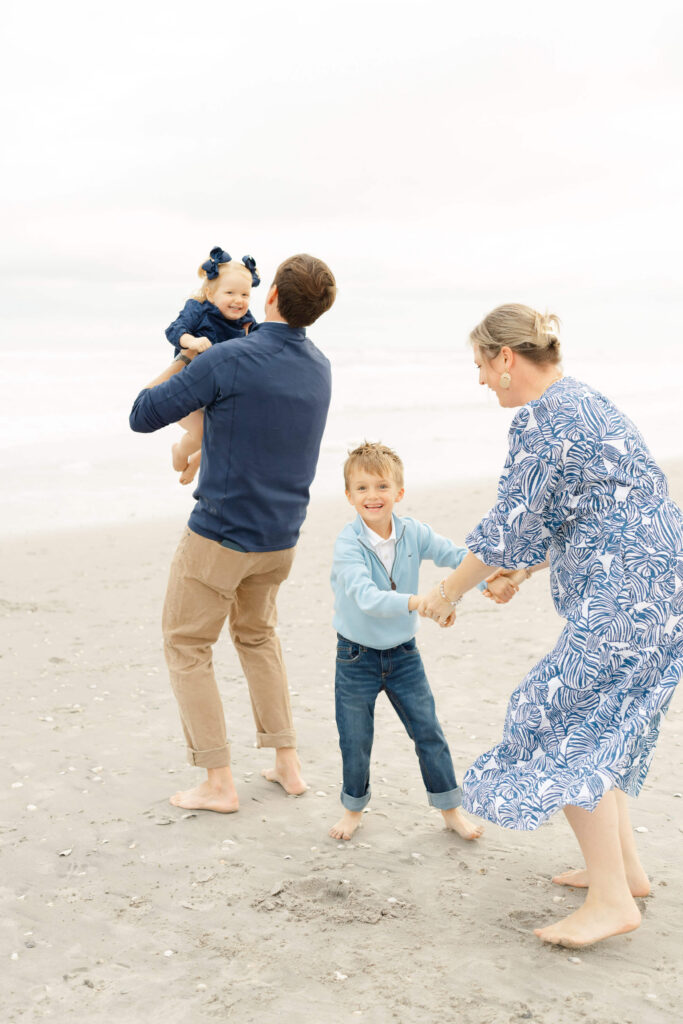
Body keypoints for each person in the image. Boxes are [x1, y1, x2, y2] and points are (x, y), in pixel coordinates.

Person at [417, 303, 682, 948]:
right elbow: (577, 508)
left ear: (506, 359)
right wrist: (524, 572)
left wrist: (448, 591)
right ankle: (624, 874)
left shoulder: (543, 418)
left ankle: (613, 901)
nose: (481, 380)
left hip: (628, 587)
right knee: (601, 718)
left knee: (556, 716)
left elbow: (512, 521)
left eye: (481, 364)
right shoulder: (585, 401)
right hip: (658, 575)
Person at [129, 254, 336, 812]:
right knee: (258, 638)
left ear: (270, 298)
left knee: (187, 643)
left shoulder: (231, 359)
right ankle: (286, 764)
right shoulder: (320, 367)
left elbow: (142, 413)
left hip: (221, 536)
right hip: (282, 539)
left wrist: (182, 359)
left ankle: (218, 781)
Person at [329, 441, 508, 842]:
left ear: (399, 492)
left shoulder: (413, 533)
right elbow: (366, 598)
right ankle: (353, 809)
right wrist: (424, 602)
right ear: (348, 496)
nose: (372, 496)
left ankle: (450, 810)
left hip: (404, 656)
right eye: (361, 488)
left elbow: (456, 556)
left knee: (428, 731)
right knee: (355, 739)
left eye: (381, 487)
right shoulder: (347, 545)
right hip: (355, 657)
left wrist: (488, 580)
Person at [165, 246, 261, 485]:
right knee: (200, 434)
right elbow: (174, 330)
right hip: (184, 389)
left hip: (217, 393)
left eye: (245, 295)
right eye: (230, 293)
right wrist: (192, 342)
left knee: (235, 434)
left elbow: (263, 343)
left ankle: (197, 460)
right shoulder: (197, 310)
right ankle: (179, 452)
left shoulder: (246, 321)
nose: (238, 300)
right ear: (210, 294)